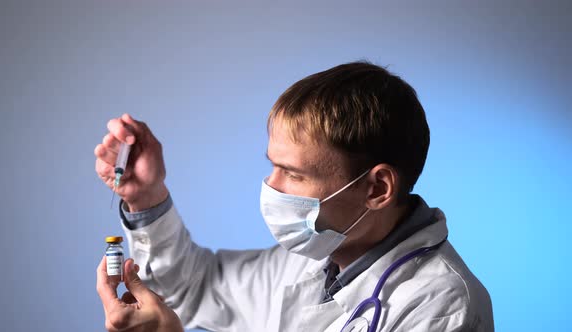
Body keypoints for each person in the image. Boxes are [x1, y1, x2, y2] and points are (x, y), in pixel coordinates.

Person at [95, 62, 494, 332]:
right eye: (273, 166)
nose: (272, 186)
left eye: (293, 173)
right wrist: (146, 197)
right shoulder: (317, 258)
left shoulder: (441, 305)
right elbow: (196, 288)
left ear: (377, 189)